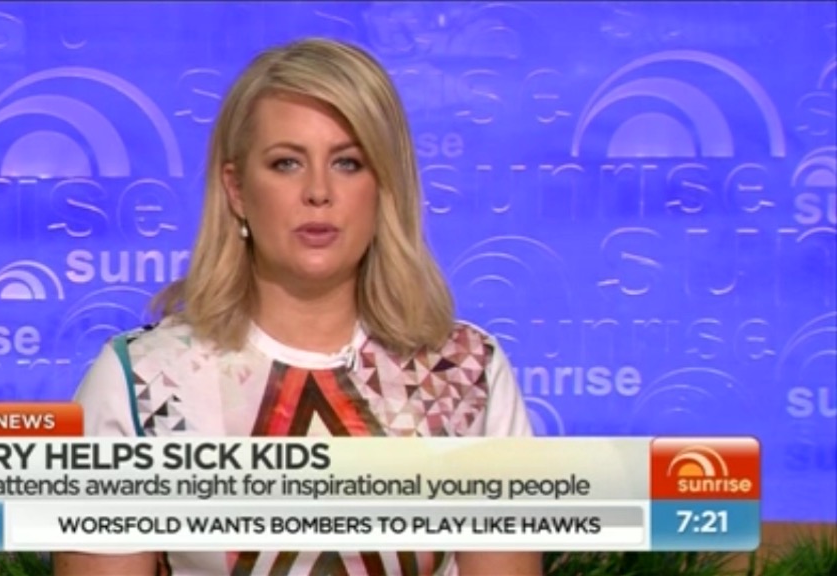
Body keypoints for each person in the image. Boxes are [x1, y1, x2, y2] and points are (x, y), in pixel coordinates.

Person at [55, 37, 543, 576]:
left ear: (386, 186)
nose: (318, 192)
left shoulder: (464, 372)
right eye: (286, 163)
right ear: (237, 190)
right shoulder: (143, 379)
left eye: (349, 163)